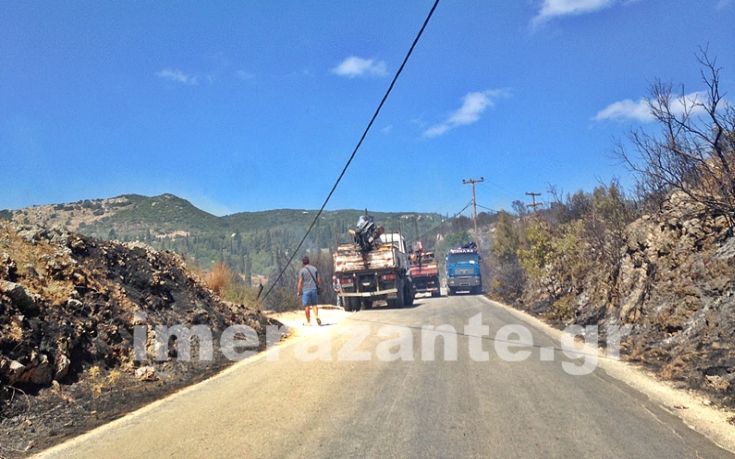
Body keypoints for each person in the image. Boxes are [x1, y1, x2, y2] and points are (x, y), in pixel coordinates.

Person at [297, 256, 321, 326]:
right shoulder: (314, 268)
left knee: (306, 306)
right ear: (309, 261)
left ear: (303, 263)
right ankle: (316, 316)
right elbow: (318, 279)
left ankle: (308, 322)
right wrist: (318, 286)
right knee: (314, 305)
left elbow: (300, 281)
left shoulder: (302, 270)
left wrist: (299, 291)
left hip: (306, 290)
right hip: (314, 289)